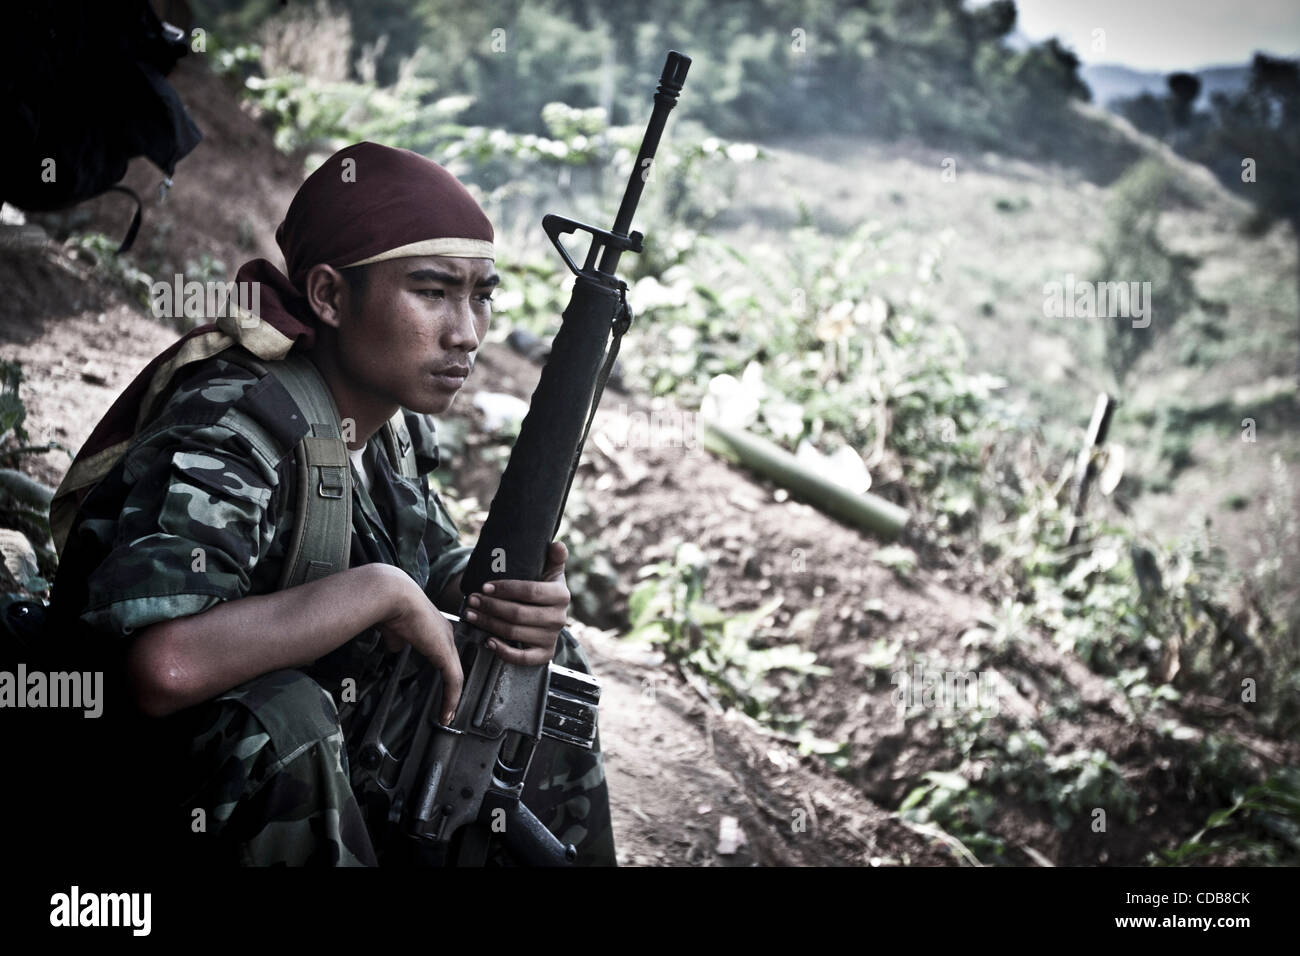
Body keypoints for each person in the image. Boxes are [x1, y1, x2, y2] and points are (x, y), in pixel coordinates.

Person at [40, 141, 616, 866]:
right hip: (130, 778)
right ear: (329, 296)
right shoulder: (237, 419)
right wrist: (377, 594)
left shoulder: (389, 426)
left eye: (482, 295)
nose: (466, 333)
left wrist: (512, 594)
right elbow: (162, 669)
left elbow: (429, 558)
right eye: (433, 292)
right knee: (287, 720)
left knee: (536, 660)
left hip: (297, 764)